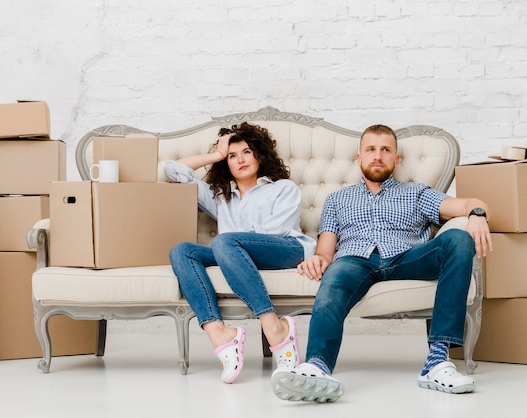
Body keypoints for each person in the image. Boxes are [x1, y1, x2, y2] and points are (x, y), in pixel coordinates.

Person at [271, 124, 493, 402]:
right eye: (371, 150)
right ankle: (317, 367)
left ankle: (436, 363)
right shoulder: (337, 200)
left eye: (386, 150)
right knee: (334, 277)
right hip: (355, 260)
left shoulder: (416, 193)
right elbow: (325, 252)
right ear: (359, 158)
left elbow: (465, 204)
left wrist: (477, 213)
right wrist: (316, 260)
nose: (378, 156)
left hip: (407, 258)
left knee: (459, 238)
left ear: (396, 159)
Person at [165, 122, 316, 384]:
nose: (240, 160)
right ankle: (221, 334)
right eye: (232, 156)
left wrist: (233, 239)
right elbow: (173, 170)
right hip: (233, 254)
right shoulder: (221, 197)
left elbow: (275, 233)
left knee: (224, 242)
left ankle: (275, 327)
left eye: (246, 152)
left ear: (259, 154)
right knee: (182, 251)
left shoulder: (283, 188)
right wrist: (216, 155)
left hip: (286, 251)